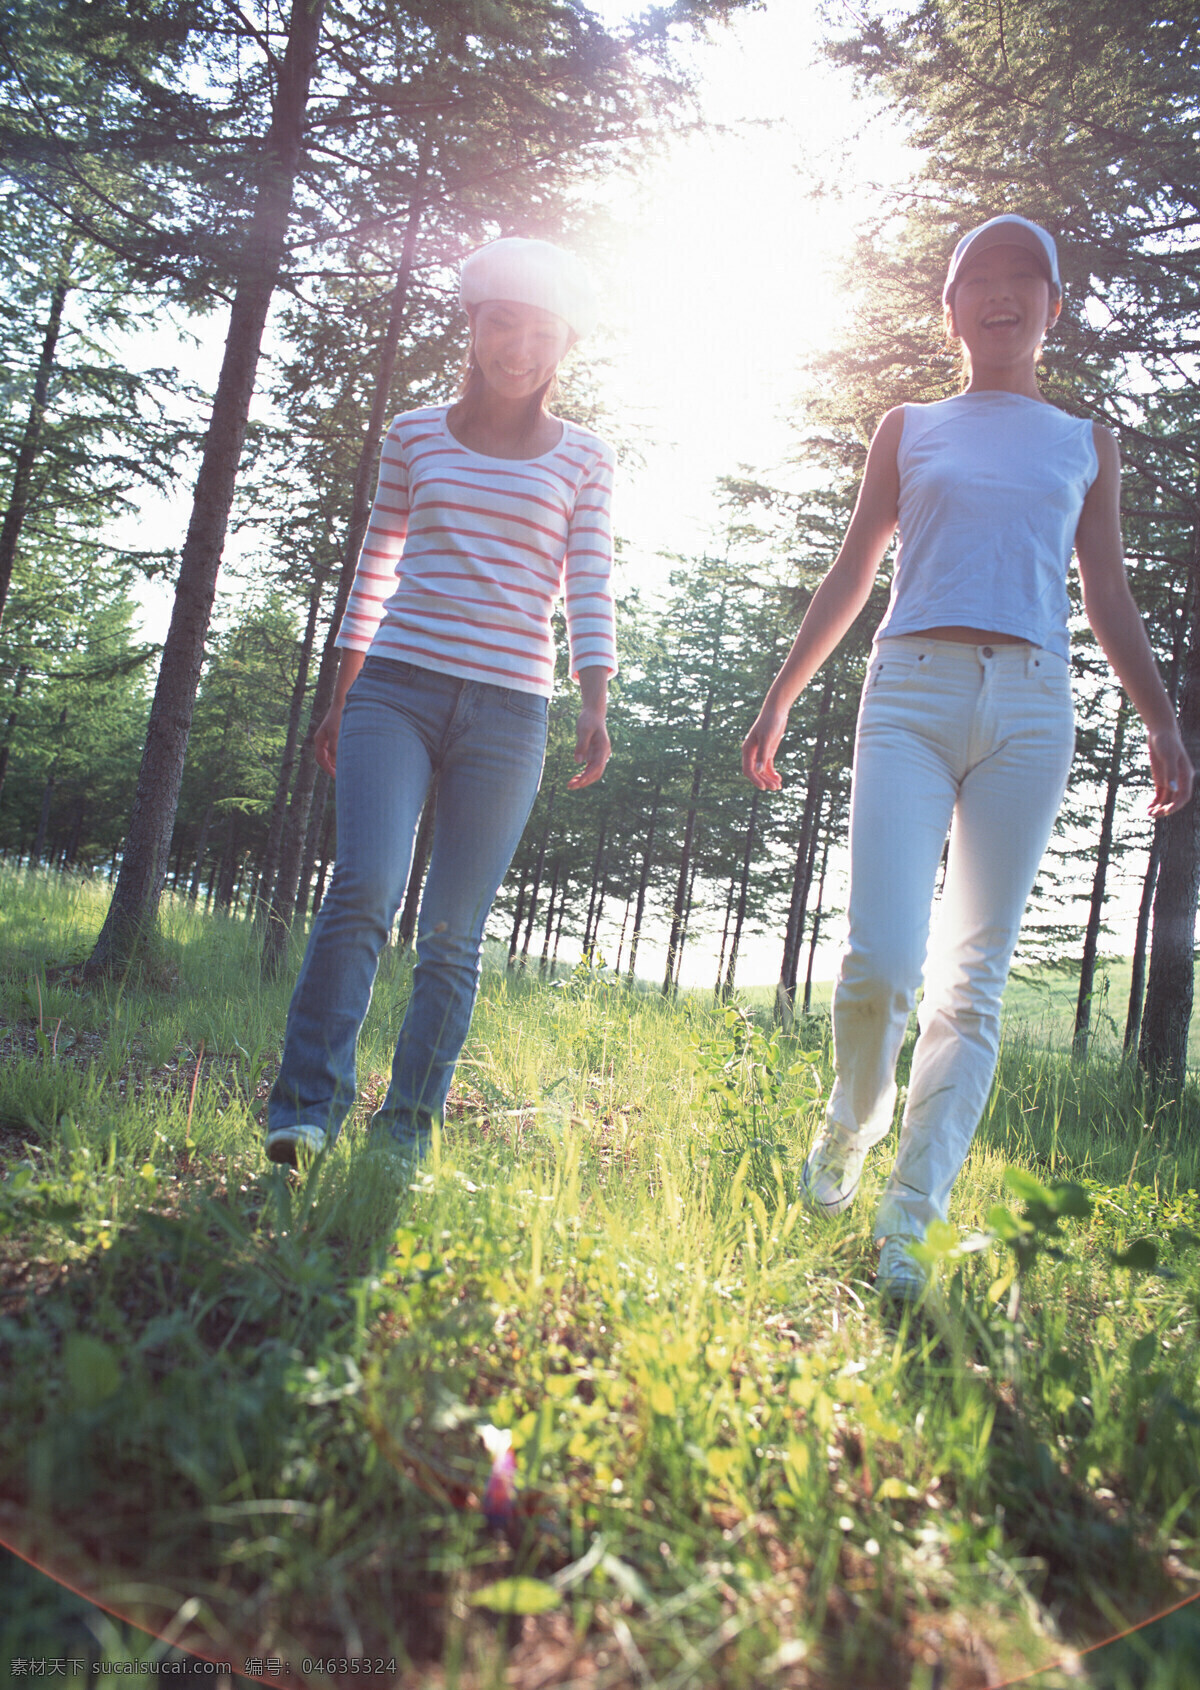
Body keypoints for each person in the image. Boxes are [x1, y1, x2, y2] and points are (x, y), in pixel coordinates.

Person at [742, 214, 1193, 1300]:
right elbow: (855, 569)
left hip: (1034, 707)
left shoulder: (1086, 441)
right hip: (910, 693)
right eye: (977, 279)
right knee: (885, 961)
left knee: (973, 983)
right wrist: (781, 696)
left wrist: (1163, 716)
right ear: (950, 309)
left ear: (1053, 305)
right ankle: (851, 1123)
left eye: (1021, 279)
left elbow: (1108, 590)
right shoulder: (909, 427)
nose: (1000, 294)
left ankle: (912, 1221)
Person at [266, 236, 616, 1168]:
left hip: (510, 711)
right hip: (396, 693)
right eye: (503, 322)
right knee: (365, 888)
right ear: (472, 325)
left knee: (455, 932)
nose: (520, 346)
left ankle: (407, 1132)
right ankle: (303, 1108)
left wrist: (594, 695)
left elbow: (589, 578)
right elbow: (373, 566)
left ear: (564, 344)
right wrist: (342, 694)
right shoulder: (414, 435)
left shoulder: (586, 456)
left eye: (542, 331)